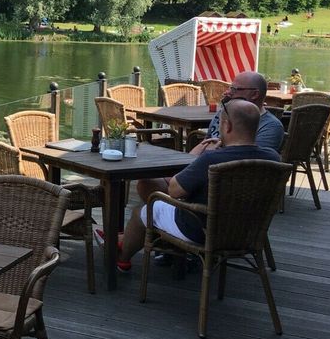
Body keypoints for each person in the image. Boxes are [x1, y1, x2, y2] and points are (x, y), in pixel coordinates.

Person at [111, 99, 281, 272]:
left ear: (227, 126)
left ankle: (122, 259)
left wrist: (201, 156)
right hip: (248, 231)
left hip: (200, 231)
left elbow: (174, 190)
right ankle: (132, 240)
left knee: (144, 210)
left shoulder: (212, 159)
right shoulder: (273, 158)